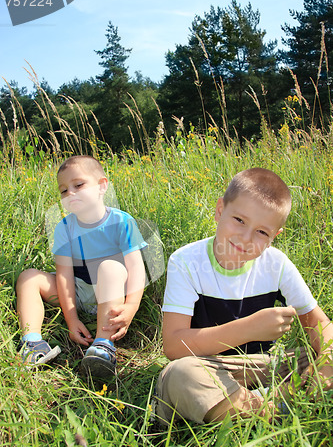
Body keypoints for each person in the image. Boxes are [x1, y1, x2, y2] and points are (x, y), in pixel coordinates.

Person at [156, 168, 333, 424]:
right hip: (208, 367)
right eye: (239, 220)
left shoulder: (276, 264)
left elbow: (320, 324)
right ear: (219, 210)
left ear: (274, 237)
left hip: (266, 367)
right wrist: (249, 329)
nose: (246, 238)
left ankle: (256, 407)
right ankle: (274, 411)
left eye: (262, 232)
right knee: (180, 374)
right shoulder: (186, 262)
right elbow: (173, 346)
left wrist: (327, 362)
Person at [16, 155, 147, 378]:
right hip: (79, 289)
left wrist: (132, 306)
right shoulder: (64, 228)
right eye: (64, 190)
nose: (70, 194)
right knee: (28, 277)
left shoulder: (121, 222)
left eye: (78, 185)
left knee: (110, 267)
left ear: (102, 186)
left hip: (112, 292)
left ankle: (102, 345)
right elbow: (64, 276)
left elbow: (136, 268)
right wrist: (72, 318)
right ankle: (32, 343)